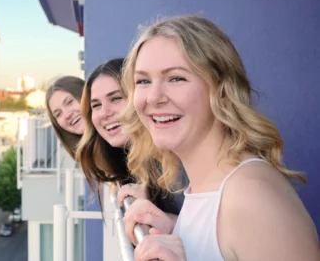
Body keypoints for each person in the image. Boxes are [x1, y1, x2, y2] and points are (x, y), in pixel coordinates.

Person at [120, 15, 319, 260]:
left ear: (222, 89)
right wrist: (175, 229)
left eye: (176, 78)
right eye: (143, 81)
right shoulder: (208, 189)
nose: (153, 97)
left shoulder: (249, 196)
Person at [76, 58, 184, 215]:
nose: (105, 113)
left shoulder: (175, 160)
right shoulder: (126, 165)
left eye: (116, 98)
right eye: (96, 105)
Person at [46, 76, 86, 159]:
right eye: (58, 114)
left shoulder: (116, 144)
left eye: (69, 102)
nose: (67, 115)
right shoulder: (87, 157)